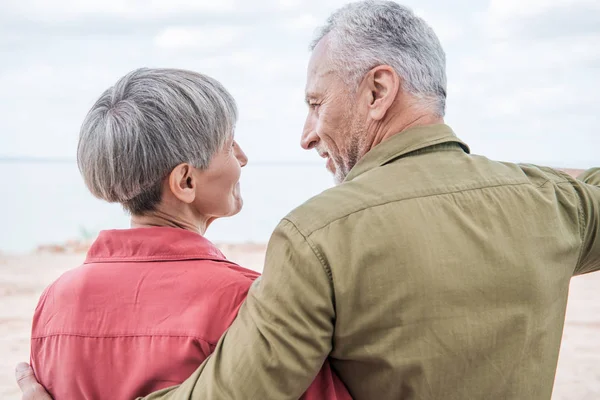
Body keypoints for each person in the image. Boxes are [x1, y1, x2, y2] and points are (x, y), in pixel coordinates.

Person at [17, 1, 600, 399]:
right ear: (184, 180)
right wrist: (502, 178)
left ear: (378, 90)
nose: (305, 133)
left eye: (316, 103)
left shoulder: (316, 234)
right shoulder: (553, 205)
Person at [22, 68, 351, 400]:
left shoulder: (56, 300)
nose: (242, 158)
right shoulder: (243, 301)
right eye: (228, 144)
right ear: (185, 182)